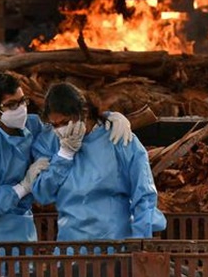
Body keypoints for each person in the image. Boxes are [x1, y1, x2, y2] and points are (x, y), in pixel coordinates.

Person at [0, 73, 135, 243]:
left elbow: (65, 123)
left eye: (23, 101)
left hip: (24, 231)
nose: (21, 108)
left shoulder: (31, 126)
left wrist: (109, 118)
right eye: (12, 105)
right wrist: (22, 188)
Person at [31, 82, 166, 242]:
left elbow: (144, 194)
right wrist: (64, 156)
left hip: (116, 246)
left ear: (84, 113)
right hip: (71, 249)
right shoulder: (50, 143)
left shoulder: (118, 138)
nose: (61, 129)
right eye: (55, 125)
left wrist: (141, 240)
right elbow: (42, 194)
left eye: (66, 122)